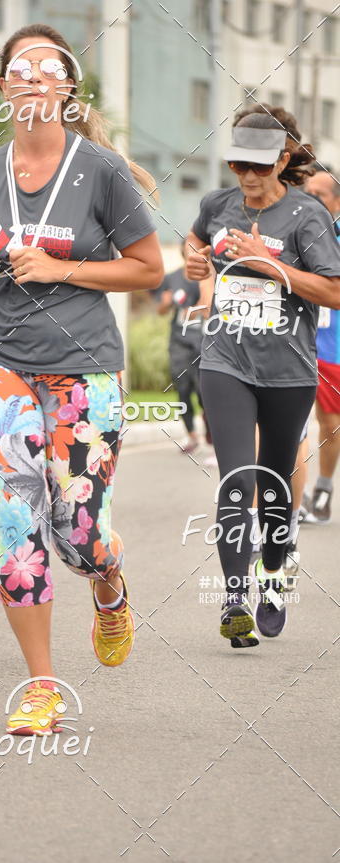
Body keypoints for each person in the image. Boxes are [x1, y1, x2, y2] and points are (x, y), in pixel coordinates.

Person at [0, 23, 163, 733]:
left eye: (48, 66)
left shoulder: (100, 170)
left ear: (68, 87)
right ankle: (42, 686)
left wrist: (61, 268)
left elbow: (148, 268)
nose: (33, 76)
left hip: (82, 365)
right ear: (3, 87)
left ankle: (108, 582)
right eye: (20, 67)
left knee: (80, 533)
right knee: (18, 525)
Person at [186, 104, 340, 648]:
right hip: (225, 361)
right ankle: (233, 599)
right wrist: (195, 262)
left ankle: (272, 573)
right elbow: (195, 239)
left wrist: (267, 263)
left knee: (274, 484)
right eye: (238, 165)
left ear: (282, 160)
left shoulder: (307, 216)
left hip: (288, 372)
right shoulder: (217, 205)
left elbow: (334, 290)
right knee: (238, 478)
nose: (248, 176)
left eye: (258, 165)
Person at [302, 168, 340, 523]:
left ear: (337, 202)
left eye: (320, 194)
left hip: (332, 347)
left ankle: (324, 489)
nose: (311, 199)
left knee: (330, 423)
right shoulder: (294, 228)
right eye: (307, 192)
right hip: (293, 341)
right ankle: (291, 494)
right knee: (287, 422)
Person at [155, 246, 211, 455]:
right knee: (183, 389)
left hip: (202, 340)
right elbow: (161, 310)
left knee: (204, 391)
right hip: (178, 341)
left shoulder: (206, 276)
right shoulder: (172, 278)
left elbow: (208, 305)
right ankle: (192, 436)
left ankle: (212, 437)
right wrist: (166, 304)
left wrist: (194, 310)